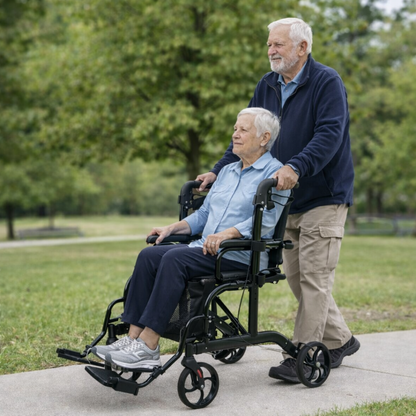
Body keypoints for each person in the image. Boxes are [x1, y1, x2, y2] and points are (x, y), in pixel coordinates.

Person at [196, 18, 359, 383]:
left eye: (279, 45)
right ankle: (342, 340)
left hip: (323, 195)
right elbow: (250, 132)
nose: (271, 50)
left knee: (315, 279)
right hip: (283, 198)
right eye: (270, 44)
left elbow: (329, 134)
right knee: (298, 280)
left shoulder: (326, 82)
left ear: (302, 48)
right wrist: (219, 169)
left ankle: (301, 352)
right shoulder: (267, 84)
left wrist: (296, 166)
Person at [91, 108, 290, 370]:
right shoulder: (228, 171)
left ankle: (149, 345)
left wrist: (226, 234)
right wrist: (171, 228)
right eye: (234, 128)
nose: (235, 135)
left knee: (175, 258)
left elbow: (265, 222)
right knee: (149, 255)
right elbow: (204, 214)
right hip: (206, 250)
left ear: (264, 138)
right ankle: (132, 339)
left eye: (243, 130)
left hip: (240, 255)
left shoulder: (276, 175)